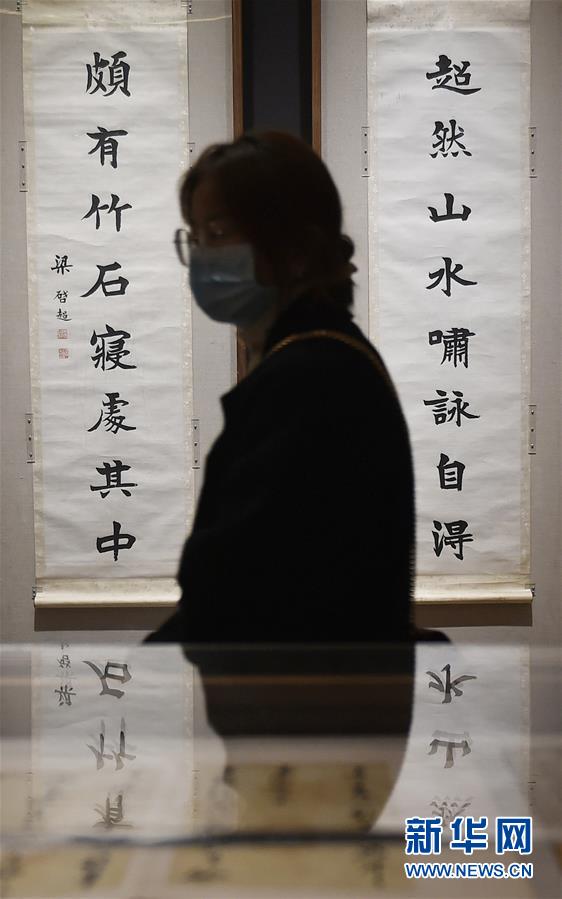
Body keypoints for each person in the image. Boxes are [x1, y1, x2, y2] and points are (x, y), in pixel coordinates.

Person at [145, 131, 415, 644]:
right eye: (195, 236)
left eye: (218, 232)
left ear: (295, 250)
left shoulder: (310, 377)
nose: (202, 255)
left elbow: (233, 585)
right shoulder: (319, 358)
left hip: (304, 688)